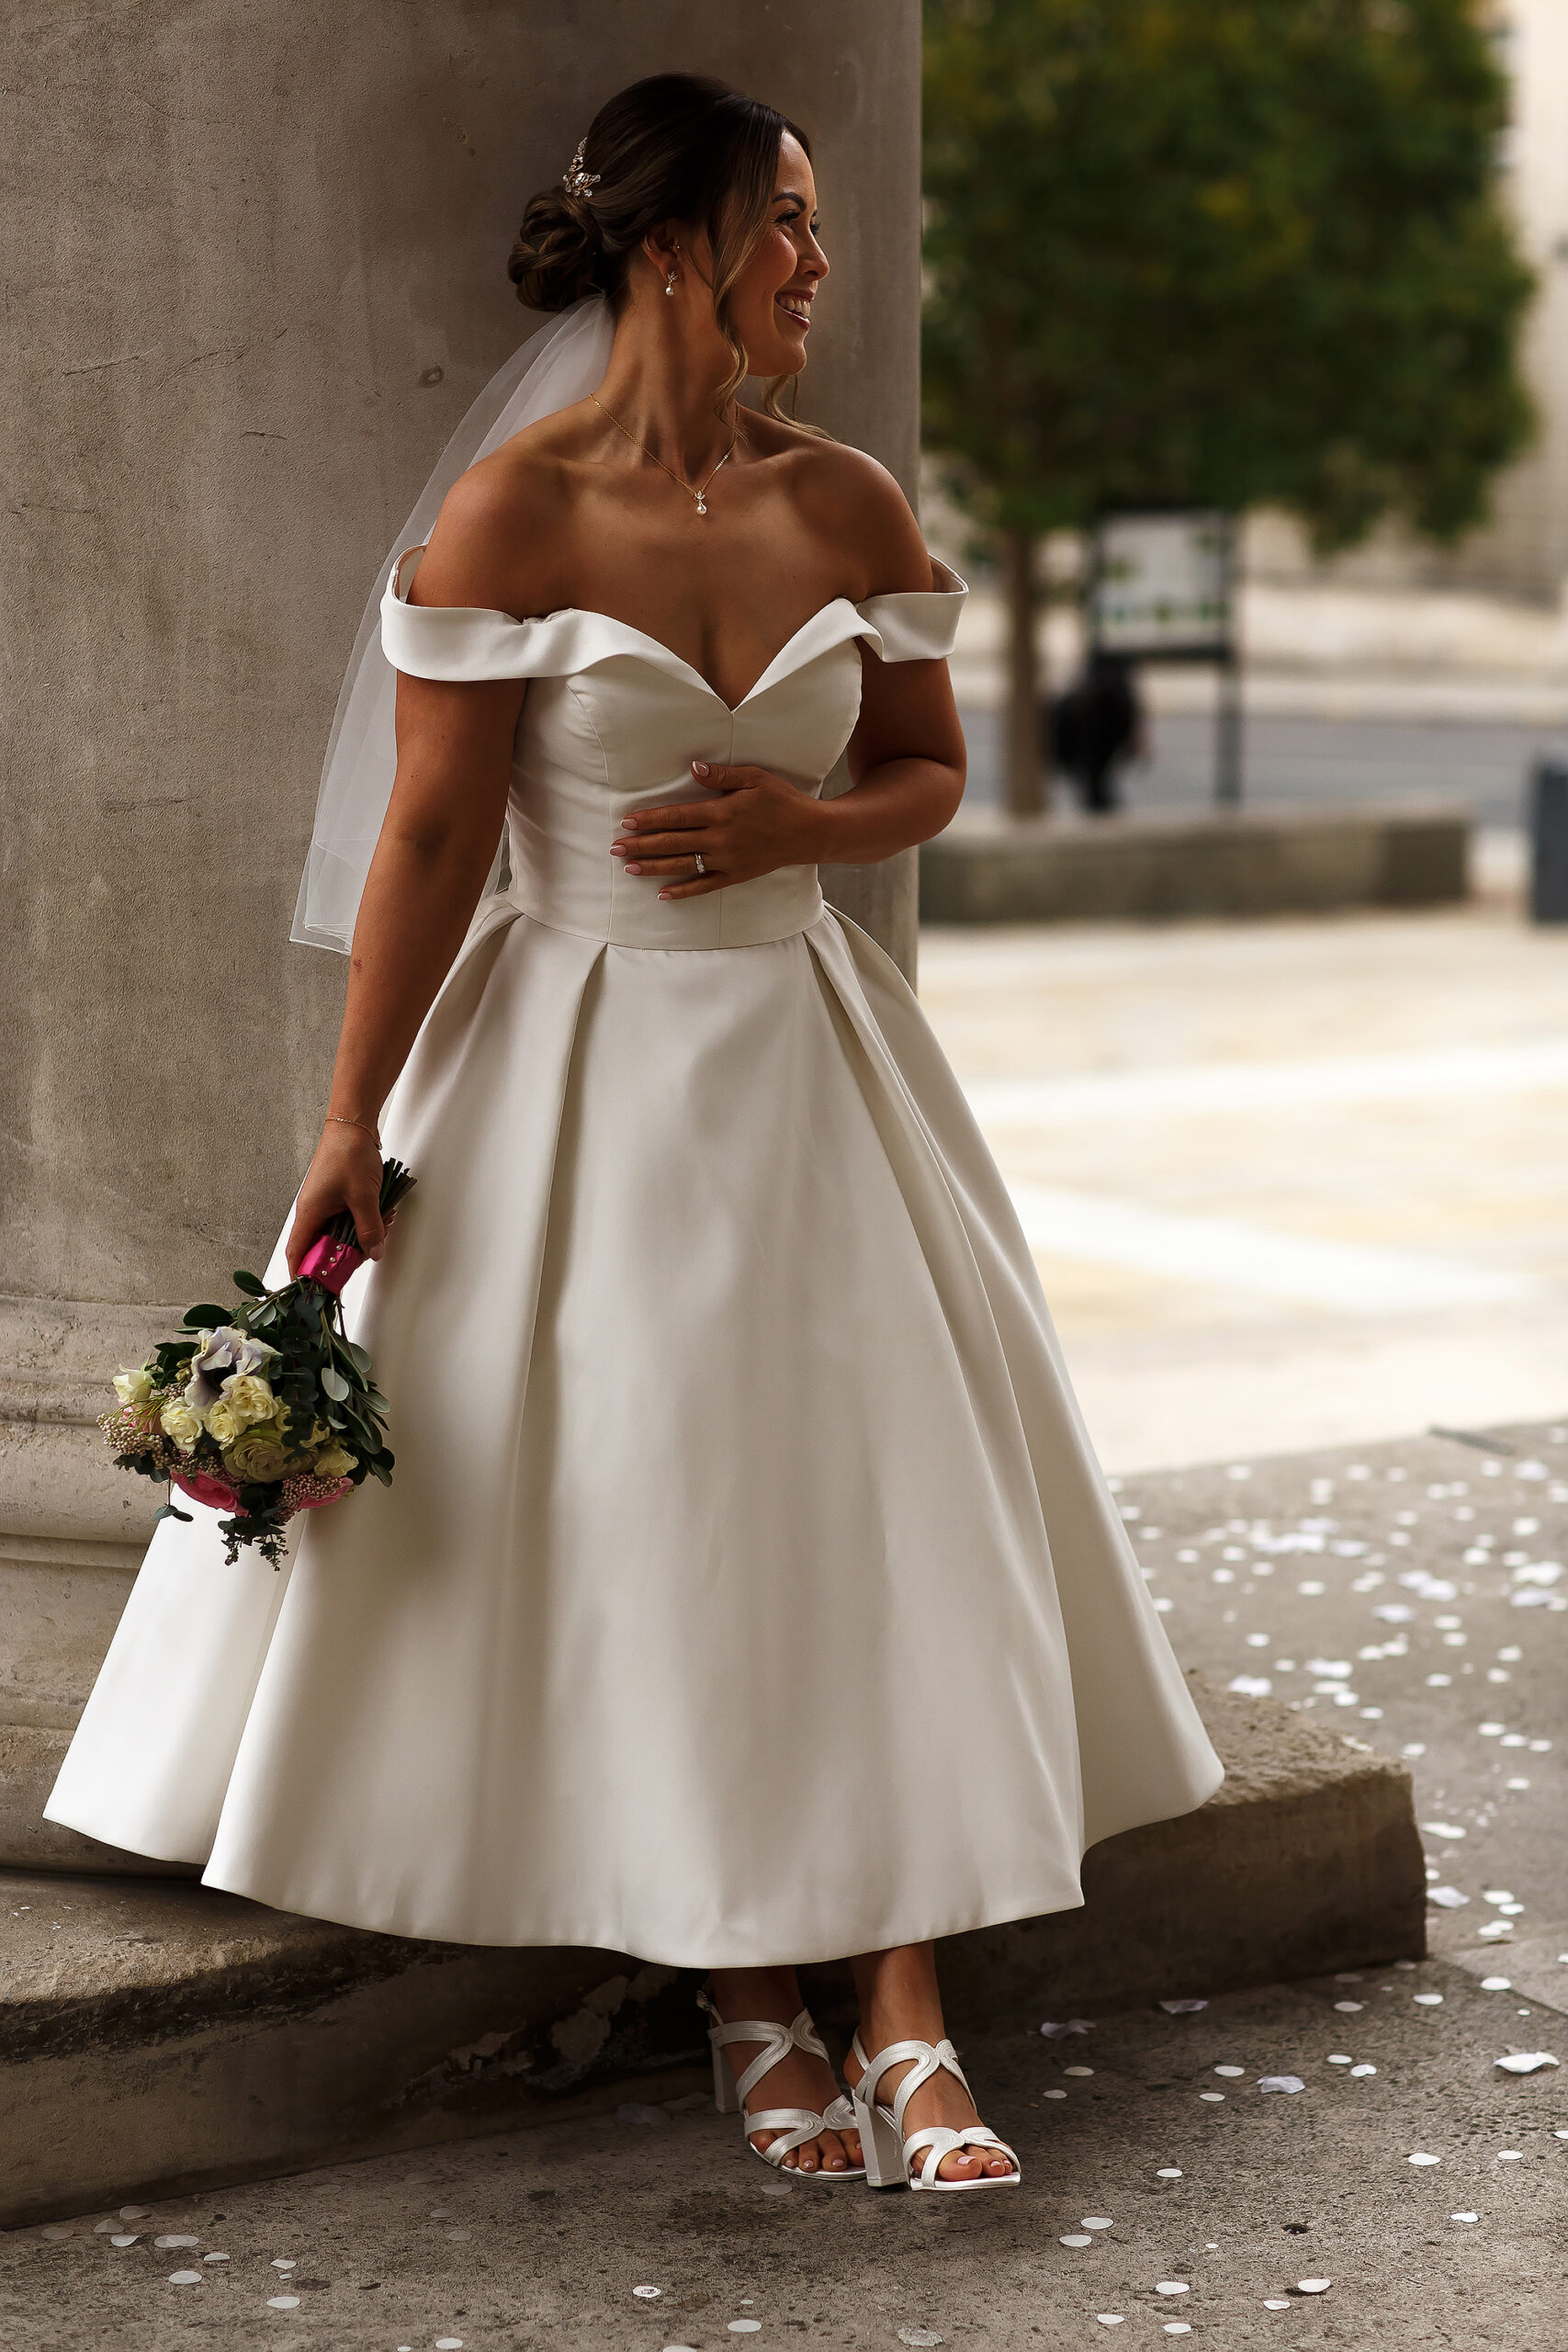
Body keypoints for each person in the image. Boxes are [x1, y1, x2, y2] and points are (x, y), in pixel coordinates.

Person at [46, 73, 1222, 2195]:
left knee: (882, 1498)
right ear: (669, 241)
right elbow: (426, 832)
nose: (818, 262)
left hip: (809, 1063)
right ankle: (742, 1988)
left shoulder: (846, 502)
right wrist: (342, 1121)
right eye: (785, 217)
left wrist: (811, 819)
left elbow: (928, 768)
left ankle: (900, 2004)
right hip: (567, 1061)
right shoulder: (509, 515)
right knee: (653, 1527)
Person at [1049, 648, 1145, 814]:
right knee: (1097, 784)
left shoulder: (1095, 689)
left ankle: (1100, 810)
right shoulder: (1109, 689)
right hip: (1094, 743)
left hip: (1092, 745)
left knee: (1096, 783)